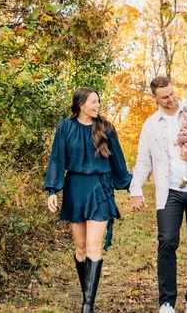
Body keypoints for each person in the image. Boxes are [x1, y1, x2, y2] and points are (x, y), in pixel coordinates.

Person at [129, 76, 187, 313]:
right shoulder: (151, 124)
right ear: (155, 98)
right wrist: (135, 190)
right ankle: (167, 302)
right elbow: (143, 160)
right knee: (167, 242)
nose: (171, 99)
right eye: (165, 97)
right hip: (169, 192)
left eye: (172, 94)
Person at [44, 86, 132, 313]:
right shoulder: (65, 127)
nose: (97, 106)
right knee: (81, 248)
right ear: (81, 104)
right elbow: (57, 158)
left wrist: (132, 186)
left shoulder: (106, 128)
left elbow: (118, 161)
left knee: (93, 246)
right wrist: (52, 190)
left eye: (98, 102)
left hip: (99, 189)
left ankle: (87, 306)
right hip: (75, 189)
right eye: (94, 102)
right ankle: (87, 297)